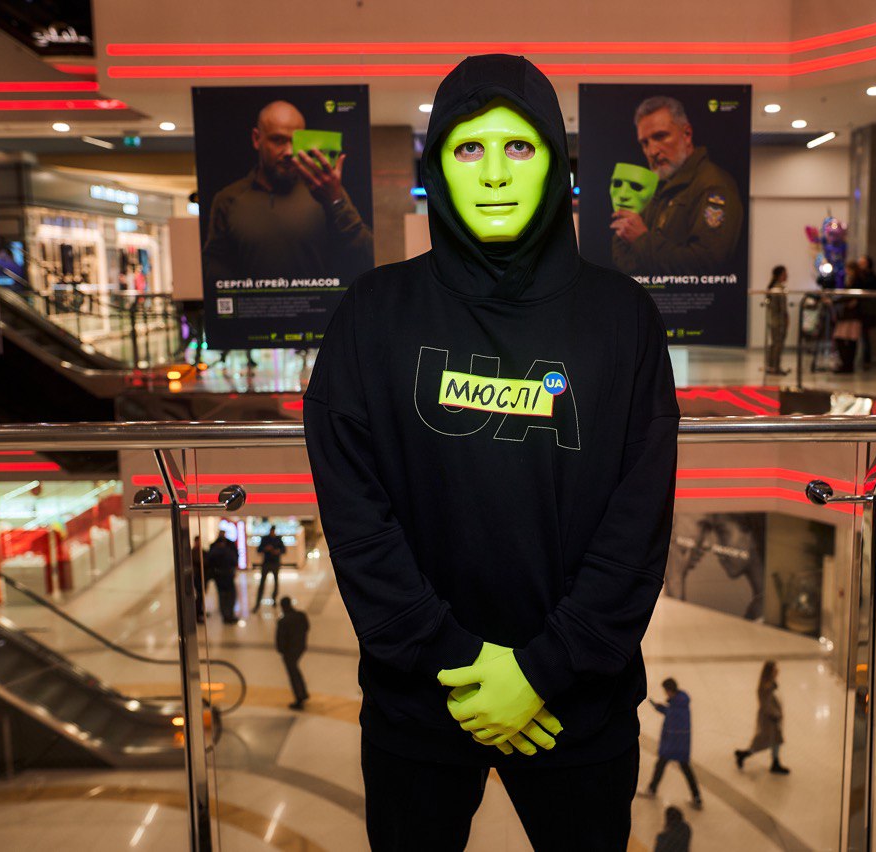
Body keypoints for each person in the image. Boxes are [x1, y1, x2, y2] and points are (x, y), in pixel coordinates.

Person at [303, 54, 678, 852]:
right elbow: (357, 521)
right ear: (437, 165)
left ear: (554, 163)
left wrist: (542, 671)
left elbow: (638, 524)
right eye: (470, 148)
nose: (496, 174)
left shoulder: (622, 319)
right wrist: (452, 660)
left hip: (576, 707)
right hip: (419, 705)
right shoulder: (373, 315)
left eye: (519, 147)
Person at [202, 100, 373, 287]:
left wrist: (336, 201)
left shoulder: (324, 191)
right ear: (256, 139)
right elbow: (213, 268)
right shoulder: (229, 199)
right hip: (252, 304)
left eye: (296, 141)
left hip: (318, 305)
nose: (289, 151)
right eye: (278, 140)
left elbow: (366, 257)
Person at [610, 96, 742, 276]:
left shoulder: (713, 185)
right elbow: (629, 263)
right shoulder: (660, 185)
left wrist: (641, 239)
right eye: (645, 143)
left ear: (686, 134)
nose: (652, 151)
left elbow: (706, 264)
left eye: (660, 136)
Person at [641, 678, 702, 809]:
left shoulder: (677, 706)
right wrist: (659, 707)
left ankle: (652, 789)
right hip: (681, 745)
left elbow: (671, 721)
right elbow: (670, 712)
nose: (665, 693)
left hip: (674, 745)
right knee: (682, 769)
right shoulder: (680, 703)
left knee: (662, 765)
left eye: (665, 690)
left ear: (669, 690)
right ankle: (696, 797)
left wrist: (665, 746)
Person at [734, 660, 789, 774]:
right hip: (769, 720)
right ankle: (744, 755)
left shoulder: (771, 684)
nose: (777, 671)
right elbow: (766, 704)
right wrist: (775, 714)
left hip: (773, 718)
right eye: (775, 669)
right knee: (763, 741)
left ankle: (775, 762)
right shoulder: (766, 687)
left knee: (776, 741)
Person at [276, 596, 311, 710]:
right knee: (295, 670)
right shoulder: (301, 615)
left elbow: (280, 639)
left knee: (293, 674)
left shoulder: (283, 621)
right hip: (300, 647)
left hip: (289, 652)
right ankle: (303, 693)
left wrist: (282, 650)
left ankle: (299, 697)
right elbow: (307, 627)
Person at [831, 262, 863, 374]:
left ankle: (847, 364)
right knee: (847, 339)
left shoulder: (856, 282)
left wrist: (835, 301)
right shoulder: (851, 281)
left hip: (851, 316)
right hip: (848, 315)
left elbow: (849, 297)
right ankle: (847, 364)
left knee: (847, 339)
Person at [205, 530, 239, 625]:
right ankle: (229, 615)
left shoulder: (213, 550)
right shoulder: (228, 551)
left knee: (222, 596)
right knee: (230, 596)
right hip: (227, 576)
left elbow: (209, 563)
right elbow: (234, 560)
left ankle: (225, 615)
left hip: (219, 576)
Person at [855, 255, 876, 366]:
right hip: (857, 311)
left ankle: (866, 359)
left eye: (863, 263)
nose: (861, 265)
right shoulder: (857, 276)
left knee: (865, 336)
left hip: (866, 311)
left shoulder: (872, 278)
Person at [253, 524, 286, 613]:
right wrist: (266, 549)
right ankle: (258, 603)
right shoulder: (265, 539)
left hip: (275, 563)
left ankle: (274, 599)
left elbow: (284, 550)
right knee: (262, 583)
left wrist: (278, 551)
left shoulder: (278, 539)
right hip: (266, 563)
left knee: (276, 582)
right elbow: (259, 550)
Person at [764, 265, 789, 375]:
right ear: (780, 275)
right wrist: (786, 319)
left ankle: (771, 366)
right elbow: (782, 308)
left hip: (773, 320)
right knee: (778, 345)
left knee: (775, 344)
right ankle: (775, 367)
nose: (787, 275)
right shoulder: (779, 289)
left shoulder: (772, 288)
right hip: (779, 321)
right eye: (785, 273)